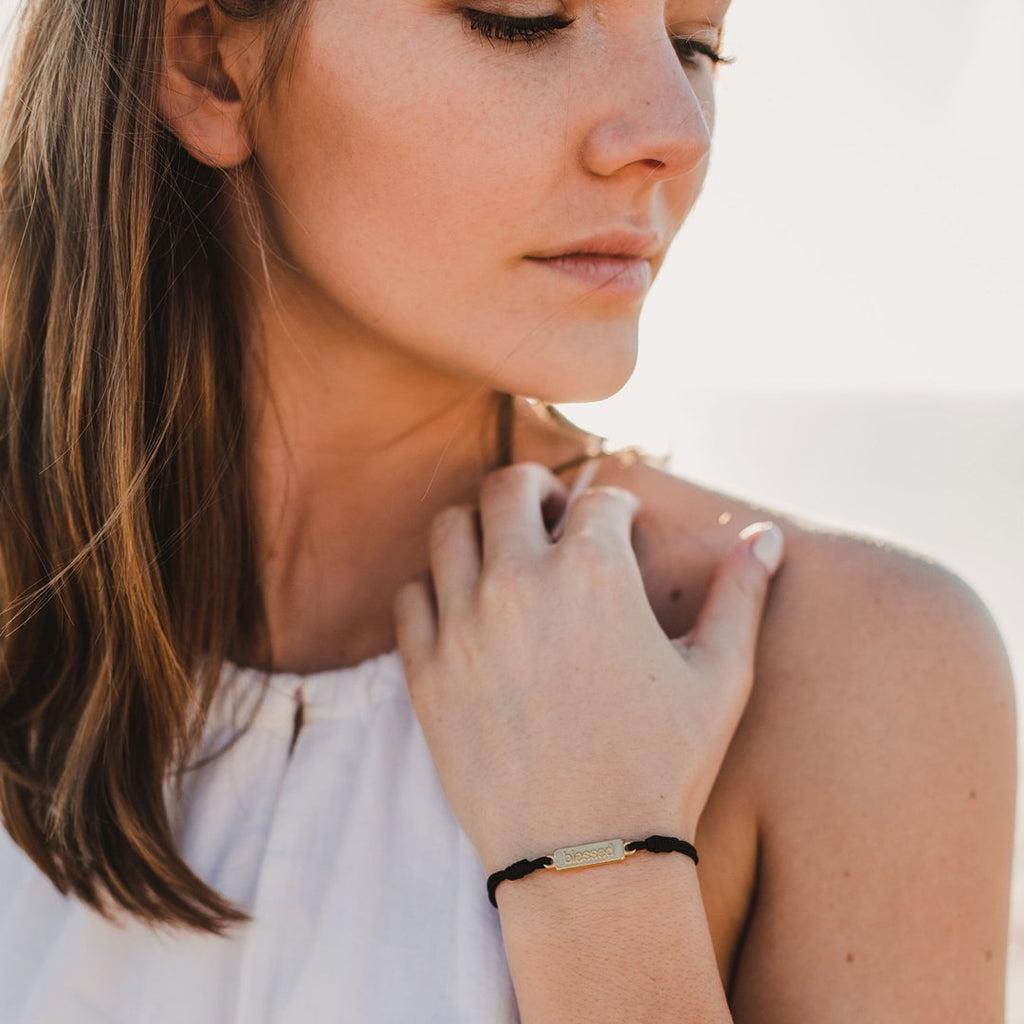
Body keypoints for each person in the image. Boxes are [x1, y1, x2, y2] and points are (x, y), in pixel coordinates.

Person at [0, 0, 1015, 1020]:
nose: (675, 128)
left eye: (693, 43)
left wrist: (601, 871)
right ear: (206, 57)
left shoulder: (848, 676)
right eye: (522, 19)